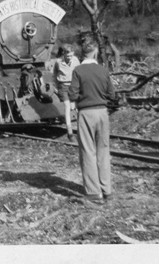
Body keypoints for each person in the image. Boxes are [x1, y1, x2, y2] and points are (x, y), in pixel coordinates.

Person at [68, 32, 118, 205]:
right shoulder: (103, 70)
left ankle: (93, 192)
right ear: (95, 51)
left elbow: (72, 94)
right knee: (103, 151)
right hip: (102, 113)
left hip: (86, 114)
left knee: (88, 152)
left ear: (82, 52)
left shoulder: (78, 71)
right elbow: (112, 94)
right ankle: (107, 190)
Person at [53, 44, 80, 140]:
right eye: (68, 56)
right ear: (64, 54)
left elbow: (79, 72)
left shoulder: (76, 60)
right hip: (63, 86)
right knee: (67, 106)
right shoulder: (58, 62)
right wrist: (55, 86)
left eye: (71, 56)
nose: (69, 58)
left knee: (76, 107)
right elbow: (54, 74)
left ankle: (80, 129)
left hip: (73, 86)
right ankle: (70, 132)